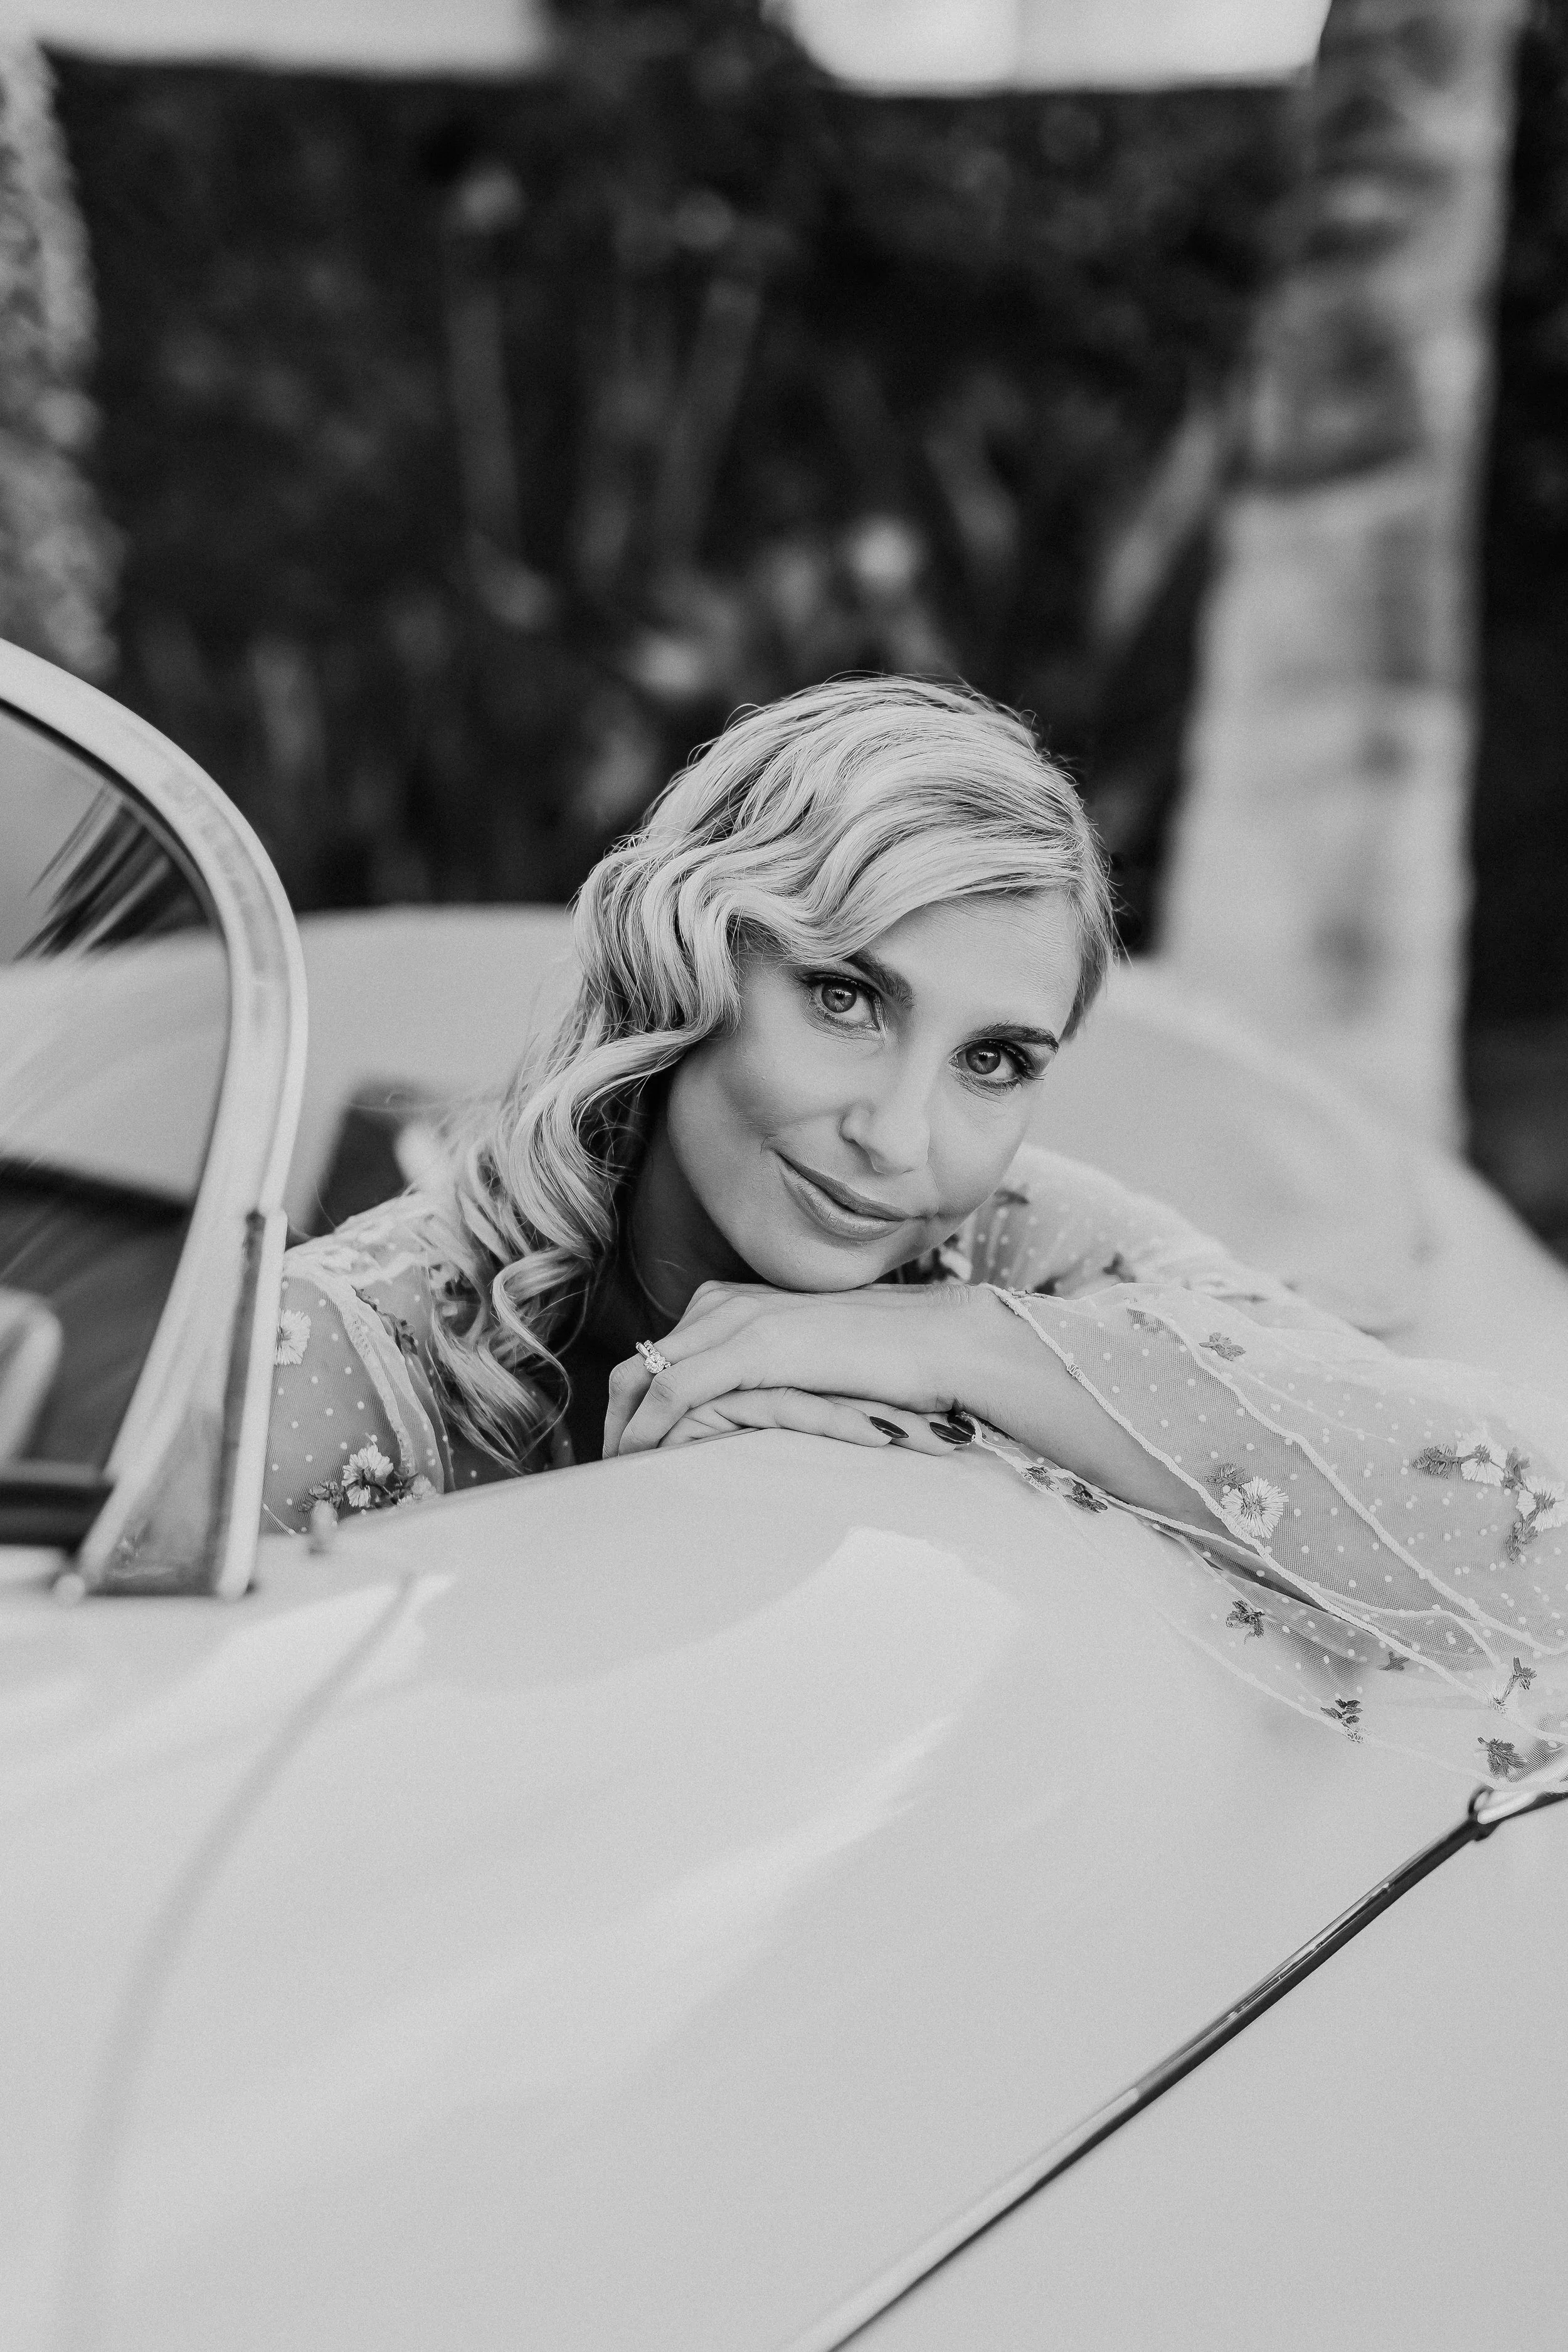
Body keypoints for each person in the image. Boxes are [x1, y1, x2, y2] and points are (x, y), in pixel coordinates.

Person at [264, 677, 1567, 1783]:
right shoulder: (342, 1350)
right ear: (686, 966)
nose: (898, 1138)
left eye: (992, 1061)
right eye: (844, 998)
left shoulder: (1015, 1247)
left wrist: (961, 1347)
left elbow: (1524, 1542)